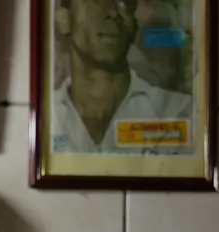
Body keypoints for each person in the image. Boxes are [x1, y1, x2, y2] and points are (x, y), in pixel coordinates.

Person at [51, 0, 193, 154]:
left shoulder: (179, 113)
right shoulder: (47, 118)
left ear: (133, 25)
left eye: (125, 2)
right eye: (95, 2)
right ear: (64, 19)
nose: (113, 12)